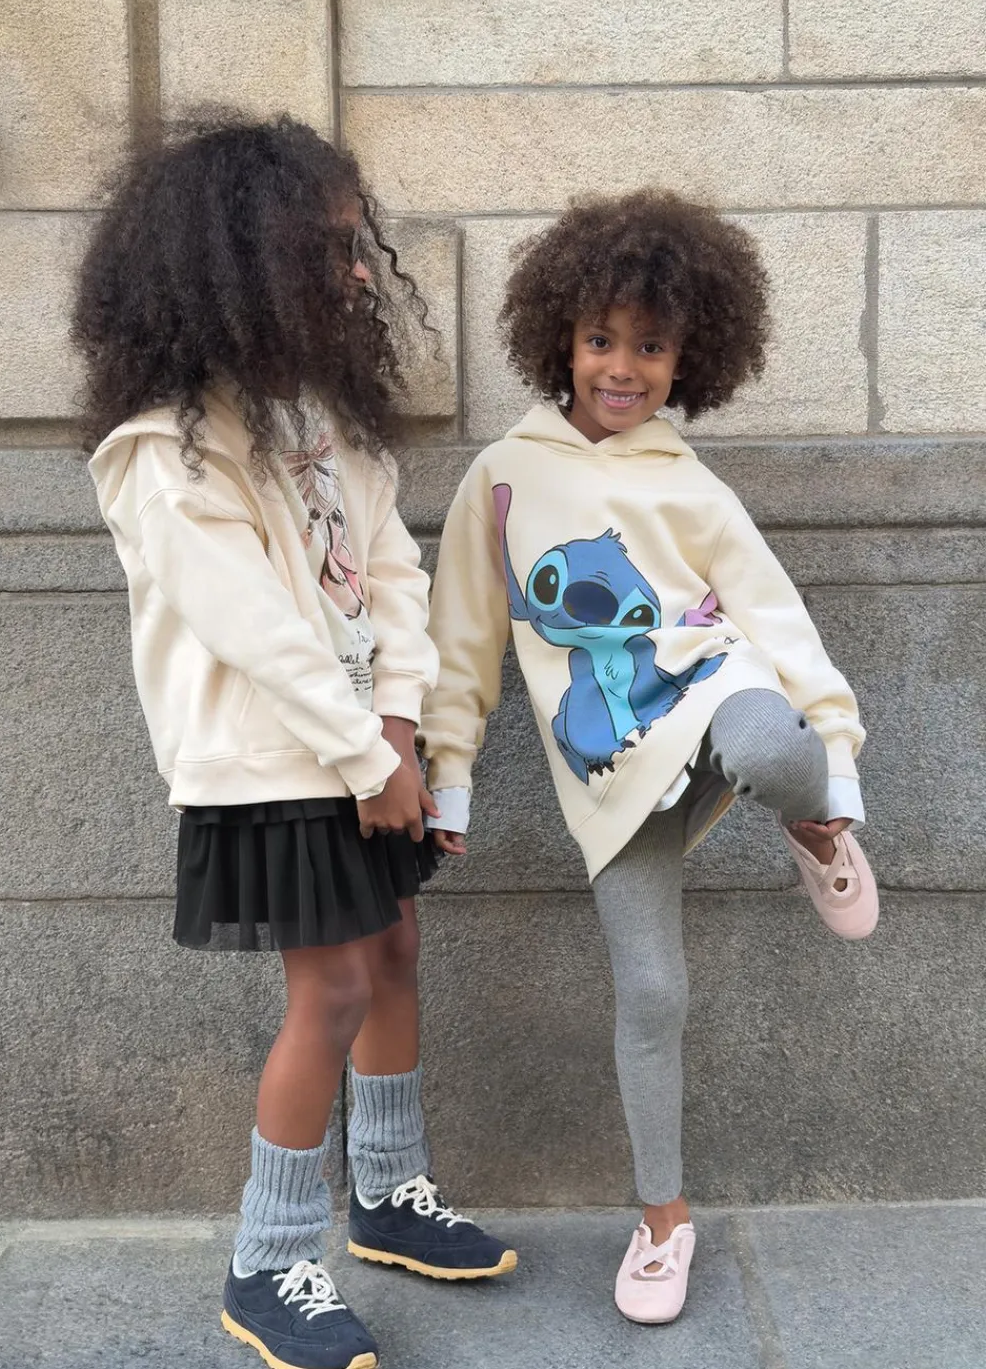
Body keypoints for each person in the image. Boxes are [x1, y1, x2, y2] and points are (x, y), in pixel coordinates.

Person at [75, 115, 516, 1369]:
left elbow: (389, 572)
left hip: (366, 745)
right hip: (272, 764)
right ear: (239, 263)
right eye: (328, 250)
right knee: (330, 990)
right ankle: (267, 1262)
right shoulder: (163, 451)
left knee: (395, 949)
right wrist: (368, 757)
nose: (360, 271)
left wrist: (402, 728)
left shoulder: (320, 415)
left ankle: (385, 1192)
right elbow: (256, 630)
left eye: (354, 245)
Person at [420, 190, 877, 1327]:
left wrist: (834, 757)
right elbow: (464, 637)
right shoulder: (502, 477)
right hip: (613, 767)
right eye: (600, 340)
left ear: (688, 359)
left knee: (769, 740)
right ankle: (664, 1217)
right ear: (560, 341)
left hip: (712, 685)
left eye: (652, 346)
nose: (622, 367)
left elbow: (775, 618)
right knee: (652, 990)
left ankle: (813, 826)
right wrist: (449, 770)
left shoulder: (691, 484)